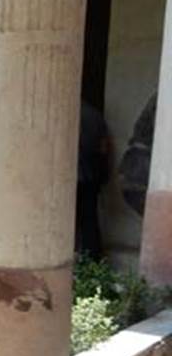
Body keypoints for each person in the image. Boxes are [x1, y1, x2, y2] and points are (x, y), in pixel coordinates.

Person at [76, 100, 110, 260]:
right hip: (92, 174)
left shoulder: (69, 113)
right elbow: (104, 147)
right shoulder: (95, 115)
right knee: (89, 219)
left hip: (74, 175)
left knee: (68, 220)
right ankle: (92, 259)